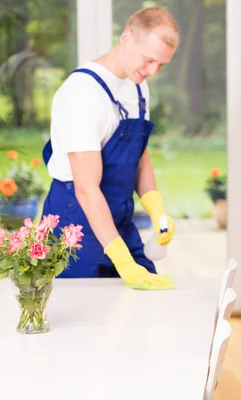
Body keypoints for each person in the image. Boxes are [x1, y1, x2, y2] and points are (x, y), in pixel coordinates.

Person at [40, 7, 179, 290]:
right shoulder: (82, 94)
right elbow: (86, 189)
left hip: (118, 214)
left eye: (161, 65)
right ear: (127, 37)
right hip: (76, 220)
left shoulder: (138, 87)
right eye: (149, 60)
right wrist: (122, 262)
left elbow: (138, 155)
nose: (153, 71)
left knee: (145, 300)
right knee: (85, 317)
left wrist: (156, 208)